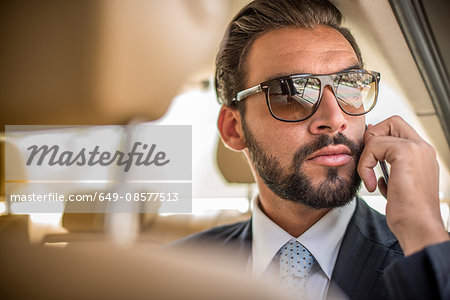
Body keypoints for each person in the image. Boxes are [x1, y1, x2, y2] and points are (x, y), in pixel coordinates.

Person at [174, 0, 450, 299]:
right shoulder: (171, 272)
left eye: (349, 85)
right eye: (290, 92)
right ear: (233, 128)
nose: (335, 119)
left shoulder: (426, 254)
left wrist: (423, 232)